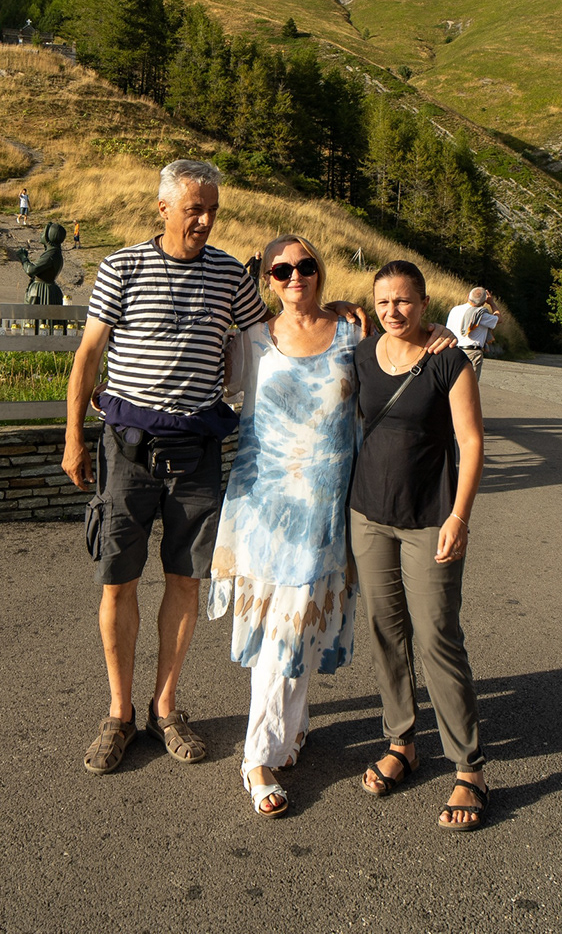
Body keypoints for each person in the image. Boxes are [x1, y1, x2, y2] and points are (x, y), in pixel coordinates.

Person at [64, 160, 275, 776]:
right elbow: (88, 356)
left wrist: (337, 317)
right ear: (163, 209)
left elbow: (272, 338)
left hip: (195, 454)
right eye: (194, 209)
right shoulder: (122, 267)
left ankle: (166, 707)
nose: (205, 220)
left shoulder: (231, 276)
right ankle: (119, 713)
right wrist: (73, 438)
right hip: (127, 451)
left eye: (212, 210)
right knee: (118, 582)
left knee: (186, 582)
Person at [208, 236, 360, 817]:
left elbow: (399, 362)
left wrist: (444, 334)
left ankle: (290, 730)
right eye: (281, 269)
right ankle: (258, 757)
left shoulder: (352, 334)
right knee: (281, 630)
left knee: (300, 627)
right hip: (264, 507)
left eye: (305, 265)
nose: (295, 276)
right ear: (267, 279)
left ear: (320, 271)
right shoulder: (250, 339)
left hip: (325, 506)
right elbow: (203, 381)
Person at [351, 260, 491, 831]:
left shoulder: (448, 361)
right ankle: (402, 741)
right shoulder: (362, 354)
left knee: (437, 637)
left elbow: (471, 442)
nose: (393, 311)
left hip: (431, 518)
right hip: (367, 516)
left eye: (404, 301)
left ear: (425, 304)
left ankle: (469, 767)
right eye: (383, 302)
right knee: (385, 632)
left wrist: (460, 515)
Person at [444, 288, 501, 377]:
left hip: (453, 350)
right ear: (484, 302)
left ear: (468, 296)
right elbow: (499, 319)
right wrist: (492, 303)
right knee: (469, 384)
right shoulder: (481, 315)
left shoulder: (455, 310)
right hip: (471, 352)